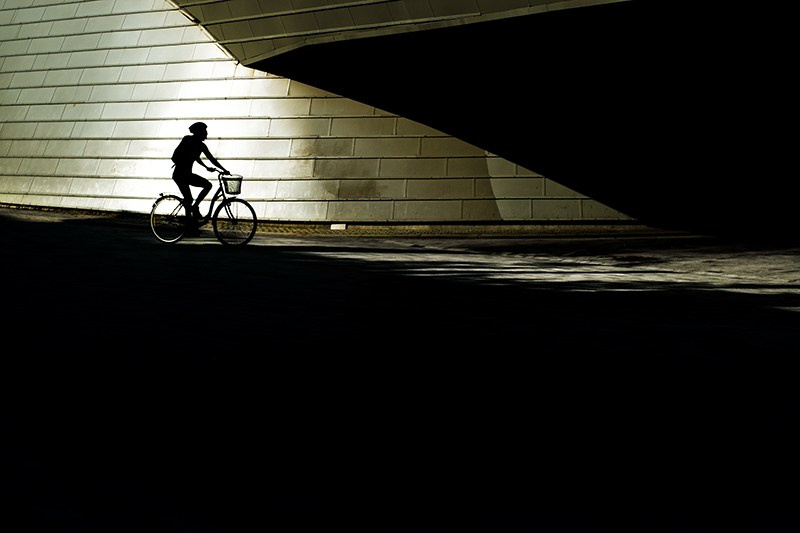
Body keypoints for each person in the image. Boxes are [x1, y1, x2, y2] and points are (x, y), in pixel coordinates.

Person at [171, 122, 229, 221]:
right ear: (198, 132)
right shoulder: (187, 140)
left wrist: (220, 169)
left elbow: (211, 159)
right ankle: (189, 224)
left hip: (187, 174)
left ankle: (195, 208)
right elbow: (177, 155)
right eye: (204, 131)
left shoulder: (201, 146)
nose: (206, 134)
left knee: (207, 185)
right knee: (188, 199)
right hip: (179, 174)